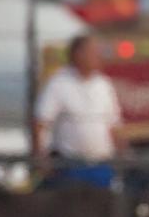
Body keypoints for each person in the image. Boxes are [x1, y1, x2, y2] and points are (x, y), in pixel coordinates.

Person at [34, 35, 125, 187]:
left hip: (101, 165)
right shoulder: (59, 83)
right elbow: (40, 123)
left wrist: (123, 154)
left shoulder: (103, 85)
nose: (98, 56)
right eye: (92, 52)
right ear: (78, 54)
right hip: (71, 165)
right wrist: (41, 160)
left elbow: (114, 125)